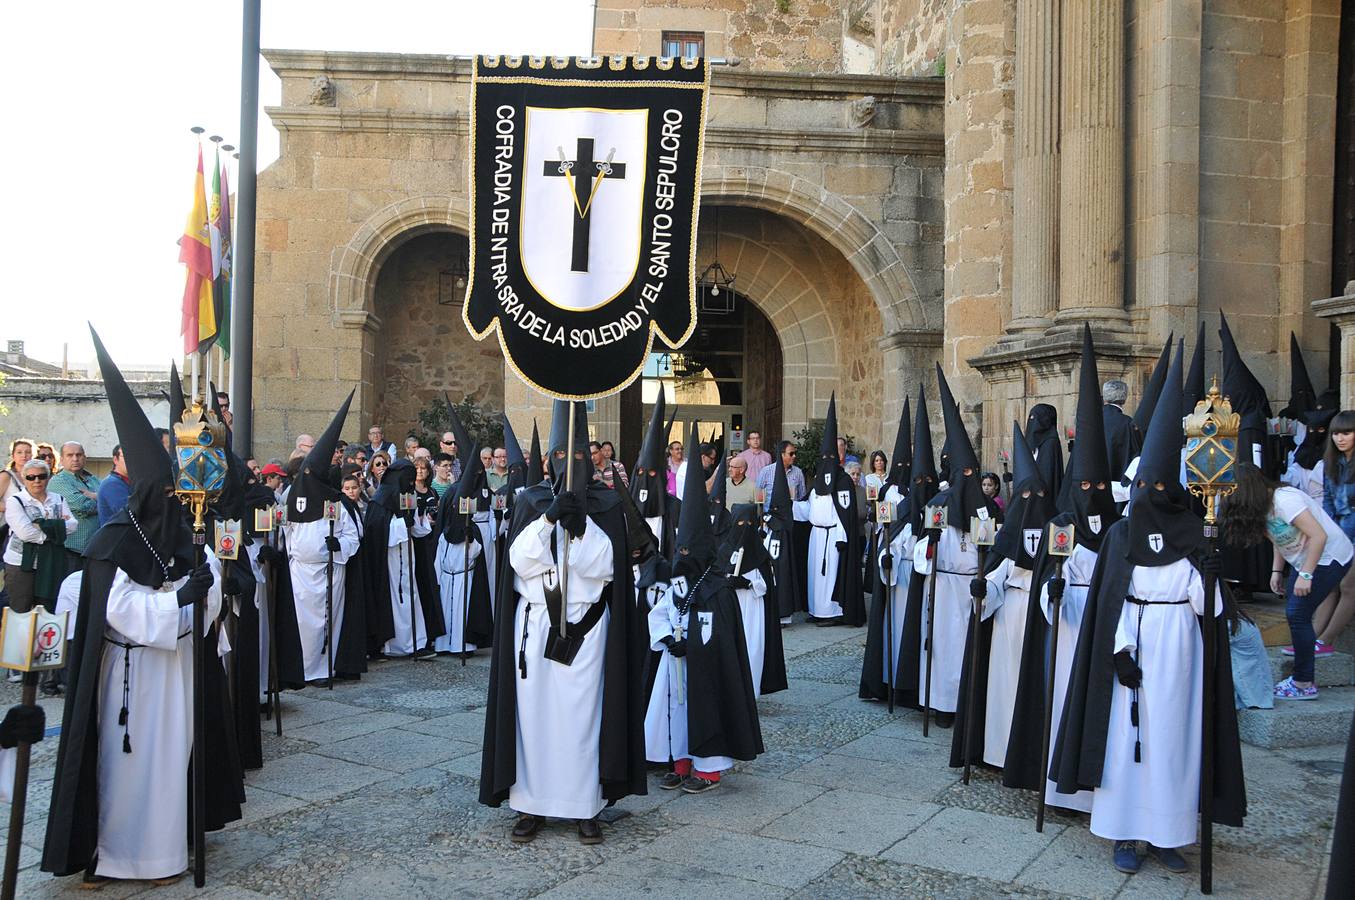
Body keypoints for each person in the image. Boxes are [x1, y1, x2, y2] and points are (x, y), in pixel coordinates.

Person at [1053, 344, 1245, 876]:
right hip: (1133, 648)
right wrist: (1119, 652)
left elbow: (1207, 610)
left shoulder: (1191, 537)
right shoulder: (1119, 536)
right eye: (1140, 486)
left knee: (1172, 739)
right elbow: (1110, 600)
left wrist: (1209, 569)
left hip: (1180, 651)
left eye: (1157, 486)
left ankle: (1167, 832)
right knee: (1126, 740)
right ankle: (1124, 832)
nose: (1147, 495)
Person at [42, 329, 220, 886]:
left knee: (171, 766)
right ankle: (122, 856)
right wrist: (176, 605)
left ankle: (169, 851)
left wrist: (206, 587)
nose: (172, 504)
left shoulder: (176, 534)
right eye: (163, 497)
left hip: (175, 669)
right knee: (133, 768)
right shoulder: (115, 539)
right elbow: (120, 609)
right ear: (144, 496)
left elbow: (198, 586)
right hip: (133, 674)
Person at [479, 400, 647, 845]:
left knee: (582, 719)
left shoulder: (608, 504)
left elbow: (607, 568)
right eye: (559, 456)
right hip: (536, 628)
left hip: (587, 629)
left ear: (590, 458)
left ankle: (583, 806)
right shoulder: (531, 501)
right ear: (547, 459)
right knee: (533, 719)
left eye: (575, 456)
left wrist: (582, 529)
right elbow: (518, 563)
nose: (567, 464)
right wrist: (551, 519)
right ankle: (530, 804)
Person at [1005, 325, 1120, 811]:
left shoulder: (1120, 535)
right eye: (1084, 487)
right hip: (1071, 630)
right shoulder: (1062, 528)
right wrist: (1054, 588)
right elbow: (1052, 568)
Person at [646, 427, 764, 794]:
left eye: (687, 553)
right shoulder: (678, 582)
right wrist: (667, 638)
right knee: (675, 714)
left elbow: (722, 635)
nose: (681, 559)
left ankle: (708, 770)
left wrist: (695, 646)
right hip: (675, 660)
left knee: (705, 710)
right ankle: (680, 763)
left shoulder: (716, 587)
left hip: (706, 666)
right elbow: (660, 612)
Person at [952, 422, 1055, 774]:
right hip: (1008, 614)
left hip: (1039, 617)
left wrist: (1054, 592)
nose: (1032, 504)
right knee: (1002, 687)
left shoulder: (1055, 537)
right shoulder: (1008, 538)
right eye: (1025, 496)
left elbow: (1059, 577)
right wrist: (984, 590)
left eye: (1038, 497)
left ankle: (1031, 755)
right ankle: (997, 751)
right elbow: (997, 579)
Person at [913, 366, 999, 727]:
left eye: (971, 476)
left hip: (971, 587)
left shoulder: (983, 511)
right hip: (945, 587)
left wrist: (988, 572)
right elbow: (921, 553)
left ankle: (968, 704)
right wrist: (929, 546)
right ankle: (941, 704)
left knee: (970, 648)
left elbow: (993, 548)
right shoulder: (939, 506)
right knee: (944, 647)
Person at [1224, 463, 1353, 701]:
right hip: (1303, 559)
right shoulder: (1261, 507)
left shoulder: (1285, 500)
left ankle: (1303, 682)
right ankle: (1304, 665)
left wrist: (1306, 575)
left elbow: (1319, 536)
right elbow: (1277, 537)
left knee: (1297, 613)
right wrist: (1276, 571)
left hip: (1330, 556)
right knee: (1296, 614)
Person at [284, 393, 362, 687]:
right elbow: (286, 530)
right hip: (301, 571)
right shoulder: (294, 499)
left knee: (328, 622)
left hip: (329, 568)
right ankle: (301, 669)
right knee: (303, 623)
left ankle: (321, 669)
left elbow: (352, 537)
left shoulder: (337, 502)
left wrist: (338, 547)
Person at [864, 389, 931, 705]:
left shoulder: (931, 501)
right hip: (899, 571)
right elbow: (886, 530)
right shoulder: (890, 492)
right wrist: (886, 556)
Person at [364, 459, 442, 660]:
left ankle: (416, 641)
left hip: (408, 554)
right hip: (389, 559)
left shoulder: (409, 495)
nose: (410, 482)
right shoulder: (381, 498)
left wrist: (419, 519)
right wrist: (400, 525)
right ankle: (395, 644)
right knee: (396, 597)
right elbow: (376, 530)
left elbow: (417, 528)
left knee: (411, 595)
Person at [805, 395, 864, 627]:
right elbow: (810, 505)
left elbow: (845, 513)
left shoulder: (843, 481)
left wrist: (841, 536)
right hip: (816, 536)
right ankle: (816, 609)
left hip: (833, 537)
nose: (828, 460)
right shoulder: (818, 480)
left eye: (833, 455)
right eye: (825, 456)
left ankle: (831, 612)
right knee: (815, 576)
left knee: (829, 577)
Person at [433, 447, 494, 657]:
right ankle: (443, 644)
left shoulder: (473, 531)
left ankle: (462, 645)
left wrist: (470, 538)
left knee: (463, 612)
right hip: (448, 578)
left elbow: (476, 552)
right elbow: (439, 556)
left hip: (464, 577)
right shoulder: (444, 535)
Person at [4, 459, 77, 612]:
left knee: (48, 611)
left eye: (41, 476)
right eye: (31, 477)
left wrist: (42, 524)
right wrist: (56, 528)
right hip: (21, 564)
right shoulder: (15, 501)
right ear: (24, 479)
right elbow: (25, 533)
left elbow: (73, 525)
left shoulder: (58, 499)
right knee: (20, 610)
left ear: (48, 477)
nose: (37, 480)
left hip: (52, 563)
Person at [1317, 409, 1355, 655]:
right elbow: (1328, 501)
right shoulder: (1331, 463)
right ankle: (1312, 639)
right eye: (1336, 434)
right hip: (1339, 533)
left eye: (1347, 433)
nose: (1340, 438)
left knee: (1349, 585)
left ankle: (1325, 641)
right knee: (1329, 584)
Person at [48, 442, 101, 573]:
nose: (75, 459)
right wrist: (100, 498)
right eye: (70, 455)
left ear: (85, 457)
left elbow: (114, 502)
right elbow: (83, 506)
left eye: (79, 455)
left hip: (95, 550)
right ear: (62, 459)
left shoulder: (93, 479)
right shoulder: (59, 481)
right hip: (72, 552)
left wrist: (95, 497)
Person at [1101, 379, 1137, 487]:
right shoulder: (1128, 423)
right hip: (1120, 483)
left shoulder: (1092, 420)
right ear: (1124, 398)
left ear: (1104, 398)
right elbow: (1136, 456)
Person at [756, 440, 807, 511]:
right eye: (791, 454)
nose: (794, 456)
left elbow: (802, 496)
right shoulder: (766, 471)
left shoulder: (798, 472)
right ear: (782, 454)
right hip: (771, 515)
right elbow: (759, 499)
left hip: (791, 515)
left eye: (795, 453)